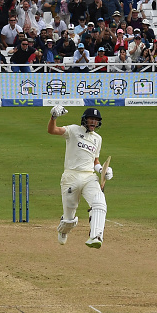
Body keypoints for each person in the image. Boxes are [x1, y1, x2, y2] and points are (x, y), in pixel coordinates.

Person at [47, 106, 112, 248]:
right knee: (69, 217)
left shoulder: (97, 139)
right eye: (91, 119)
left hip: (89, 176)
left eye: (96, 120)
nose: (94, 123)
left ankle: (95, 236)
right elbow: (52, 130)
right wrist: (53, 117)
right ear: (85, 119)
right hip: (71, 175)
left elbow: (95, 160)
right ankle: (64, 229)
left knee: (99, 202)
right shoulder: (73, 130)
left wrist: (102, 170)